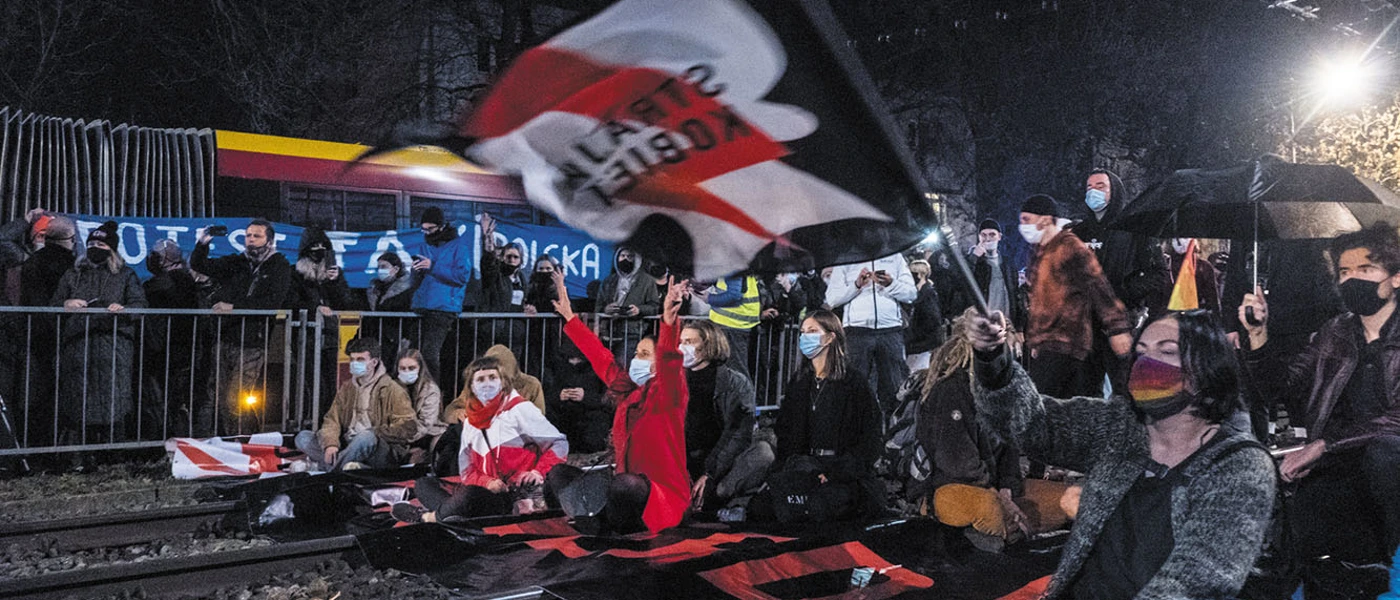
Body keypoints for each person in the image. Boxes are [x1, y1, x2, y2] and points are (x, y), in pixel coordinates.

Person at [968, 307, 1276, 598]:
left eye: (1167, 352)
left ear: (1207, 369)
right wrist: (993, 359)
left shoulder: (1239, 465)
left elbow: (1196, 579)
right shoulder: (1119, 425)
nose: (1147, 363)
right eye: (1140, 353)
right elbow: (1032, 425)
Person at [1241, 224, 1400, 580]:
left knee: (1383, 455)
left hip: (1386, 466)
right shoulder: (1335, 332)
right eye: (1344, 272)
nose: (1352, 280)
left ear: (1395, 278)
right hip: (1333, 463)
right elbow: (1284, 390)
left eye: (1365, 269)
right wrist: (1258, 335)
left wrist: (1323, 446)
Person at [907, 308, 1070, 552]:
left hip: (993, 487)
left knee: (1070, 498)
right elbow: (958, 464)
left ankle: (1019, 539)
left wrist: (1007, 486)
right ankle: (1001, 551)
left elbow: (1010, 449)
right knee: (991, 510)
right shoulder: (952, 388)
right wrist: (1000, 499)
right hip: (948, 487)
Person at [546, 270, 690, 534]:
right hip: (621, 491)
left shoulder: (670, 395)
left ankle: (603, 525)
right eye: (636, 353)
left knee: (626, 485)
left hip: (660, 498)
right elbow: (601, 357)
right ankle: (599, 522)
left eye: (645, 354)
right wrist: (570, 317)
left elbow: (671, 362)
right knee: (558, 475)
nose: (636, 359)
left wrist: (669, 321)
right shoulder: (626, 390)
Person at [395, 355, 567, 522]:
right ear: (471, 385)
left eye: (492, 377)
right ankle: (454, 514)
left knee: (468, 496)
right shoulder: (470, 421)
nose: (487, 384)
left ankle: (429, 517)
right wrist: (488, 482)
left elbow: (558, 443)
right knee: (423, 484)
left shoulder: (521, 409)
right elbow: (467, 472)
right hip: (489, 492)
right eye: (481, 379)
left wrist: (537, 472)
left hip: (516, 496)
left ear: (503, 382)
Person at [753, 310, 884, 522]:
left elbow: (869, 438)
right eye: (803, 332)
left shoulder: (854, 383)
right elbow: (786, 432)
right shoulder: (800, 381)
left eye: (812, 331)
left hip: (839, 471)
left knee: (822, 509)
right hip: (803, 467)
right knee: (762, 508)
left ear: (831, 336)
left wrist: (836, 472)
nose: (805, 337)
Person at [1018, 194, 1132, 398]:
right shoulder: (1039, 252)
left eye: (1027, 219)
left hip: (1067, 340)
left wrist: (1117, 328)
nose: (1022, 225)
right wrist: (1035, 341)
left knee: (1042, 405)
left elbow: (1098, 285)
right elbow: (1039, 304)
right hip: (1049, 344)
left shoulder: (1069, 247)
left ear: (1044, 219)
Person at [192, 218, 293, 435]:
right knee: (215, 397)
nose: (251, 240)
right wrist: (203, 243)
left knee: (236, 401)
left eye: (257, 236)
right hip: (225, 337)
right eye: (248, 236)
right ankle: (215, 445)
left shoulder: (280, 267)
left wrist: (234, 307)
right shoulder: (237, 263)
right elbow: (200, 265)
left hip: (252, 343)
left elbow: (271, 303)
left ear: (270, 240)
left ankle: (240, 445)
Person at [51, 221, 148, 443]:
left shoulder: (125, 275)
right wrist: (66, 303)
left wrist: (124, 310)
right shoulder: (73, 274)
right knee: (78, 401)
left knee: (113, 401)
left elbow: (140, 305)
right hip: (78, 346)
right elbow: (53, 304)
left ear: (111, 249)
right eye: (92, 243)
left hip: (113, 347)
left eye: (101, 244)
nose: (95, 247)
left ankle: (112, 456)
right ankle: (79, 456)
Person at [679, 319, 770, 513]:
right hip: (683, 463)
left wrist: (709, 474)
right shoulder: (675, 381)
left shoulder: (736, 383)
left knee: (762, 453)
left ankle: (725, 499)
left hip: (721, 462)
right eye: (681, 341)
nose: (682, 347)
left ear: (709, 344)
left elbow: (738, 434)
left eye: (690, 342)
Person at [3, 214, 76, 445]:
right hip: (40, 338)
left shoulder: (32, 261)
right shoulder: (25, 259)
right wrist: (25, 221)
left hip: (37, 336)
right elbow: (3, 240)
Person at [294, 337, 416, 471]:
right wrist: (330, 444)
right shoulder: (347, 388)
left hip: (378, 448)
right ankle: (348, 465)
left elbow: (408, 427)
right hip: (347, 443)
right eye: (352, 359)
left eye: (360, 360)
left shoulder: (393, 389)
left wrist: (376, 432)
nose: (354, 363)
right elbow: (332, 420)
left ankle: (329, 469)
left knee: (366, 437)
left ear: (374, 362)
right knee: (303, 437)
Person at [825, 254, 917, 414]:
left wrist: (891, 284)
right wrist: (856, 285)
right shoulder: (846, 258)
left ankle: (893, 433)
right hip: (857, 332)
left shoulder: (895, 256)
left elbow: (911, 294)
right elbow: (832, 299)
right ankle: (854, 433)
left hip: (890, 331)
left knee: (895, 390)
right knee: (853, 389)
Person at [1067, 169, 1170, 312]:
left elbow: (1158, 273)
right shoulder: (1079, 231)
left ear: (1114, 191)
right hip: (1082, 318)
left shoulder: (1136, 229)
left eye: (1100, 186)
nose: (1093, 191)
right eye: (1089, 187)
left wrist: (1123, 293)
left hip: (1121, 316)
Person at [287, 227, 355, 418]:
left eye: (322, 246)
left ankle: (328, 425)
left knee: (332, 386)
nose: (318, 250)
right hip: (306, 339)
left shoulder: (333, 274)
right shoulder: (296, 274)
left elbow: (346, 303)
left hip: (330, 339)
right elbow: (291, 301)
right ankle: (311, 423)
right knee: (314, 386)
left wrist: (334, 283)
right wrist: (314, 308)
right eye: (314, 246)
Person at [141, 239, 200, 437]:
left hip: (170, 351)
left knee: (169, 402)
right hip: (172, 350)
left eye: (155, 256)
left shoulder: (171, 283)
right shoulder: (183, 281)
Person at [410, 207, 471, 383]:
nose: (426, 232)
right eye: (424, 229)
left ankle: (433, 394)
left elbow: (462, 276)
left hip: (444, 307)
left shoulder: (459, 246)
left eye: (430, 229)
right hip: (423, 305)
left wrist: (432, 266)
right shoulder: (425, 244)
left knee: (429, 354)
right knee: (414, 354)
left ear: (442, 226)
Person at [543, 338, 611, 454]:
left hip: (589, 416)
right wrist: (559, 395)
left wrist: (586, 397)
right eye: (571, 359)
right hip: (562, 414)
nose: (574, 363)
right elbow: (547, 394)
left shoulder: (598, 369)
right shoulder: (557, 366)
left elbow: (607, 400)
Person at [593, 245, 660, 359]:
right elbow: (598, 305)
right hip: (609, 331)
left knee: (623, 364)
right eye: (622, 256)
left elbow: (655, 306)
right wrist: (605, 309)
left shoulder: (647, 281)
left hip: (632, 332)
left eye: (630, 256)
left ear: (636, 259)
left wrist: (639, 310)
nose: (625, 259)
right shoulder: (609, 281)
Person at [967, 219, 1026, 334]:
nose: (987, 239)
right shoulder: (974, 262)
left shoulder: (1008, 263)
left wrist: (1019, 328)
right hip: (983, 326)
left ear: (999, 236)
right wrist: (974, 258)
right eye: (983, 235)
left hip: (1007, 325)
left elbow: (1015, 295)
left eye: (992, 234)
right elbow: (962, 282)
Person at [396, 348, 445, 463]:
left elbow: (426, 422)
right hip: (399, 435)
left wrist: (407, 441)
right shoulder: (392, 387)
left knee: (438, 442)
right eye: (402, 368)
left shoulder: (430, 389)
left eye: (411, 368)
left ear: (420, 368)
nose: (406, 371)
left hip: (427, 433)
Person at [708, 275, 761, 376]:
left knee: (735, 374)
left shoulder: (731, 263)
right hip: (737, 325)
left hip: (729, 325)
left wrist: (708, 298)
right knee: (731, 373)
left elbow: (734, 295)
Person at [904, 259, 944, 372]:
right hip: (918, 345)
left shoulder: (928, 295)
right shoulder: (918, 294)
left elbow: (933, 320)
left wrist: (915, 335)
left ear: (920, 275)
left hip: (922, 346)